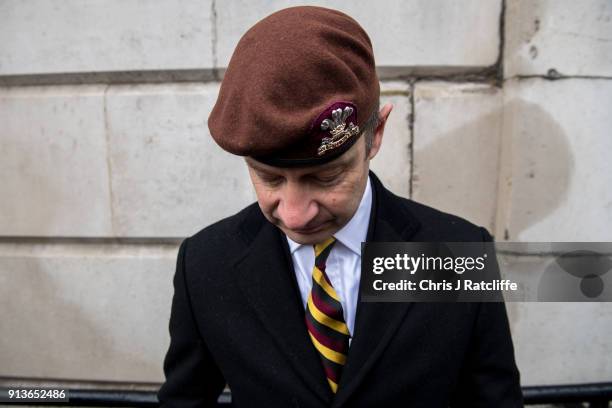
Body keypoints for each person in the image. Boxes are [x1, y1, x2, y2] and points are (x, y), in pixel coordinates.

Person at [158, 6, 522, 408]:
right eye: (270, 178)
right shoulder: (205, 263)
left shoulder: (458, 253)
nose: (295, 215)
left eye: (326, 177)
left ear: (376, 135)